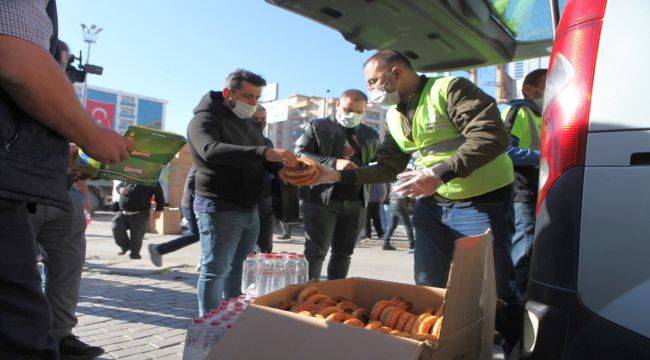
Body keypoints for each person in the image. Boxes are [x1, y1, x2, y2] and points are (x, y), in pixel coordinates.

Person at [311, 50, 518, 346]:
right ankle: (442, 346)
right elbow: (388, 166)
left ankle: (512, 347)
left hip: (482, 199)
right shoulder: (394, 115)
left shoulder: (449, 89)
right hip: (433, 204)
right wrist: (340, 176)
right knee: (429, 285)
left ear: (396, 72)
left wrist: (439, 173)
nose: (372, 90)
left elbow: (492, 136)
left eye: (373, 81)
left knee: (494, 286)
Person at [0, 2, 131, 358]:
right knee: (20, 328)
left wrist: (75, 171)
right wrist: (93, 134)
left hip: (47, 186)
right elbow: (18, 59)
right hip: (13, 187)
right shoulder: (29, 48)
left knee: (59, 276)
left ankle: (61, 334)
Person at [187, 69, 296, 315]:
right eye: (248, 96)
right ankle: (210, 322)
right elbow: (210, 150)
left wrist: (281, 171)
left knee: (241, 267)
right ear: (228, 93)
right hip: (220, 206)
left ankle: (232, 316)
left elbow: (263, 154)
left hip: (250, 208)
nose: (253, 103)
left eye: (257, 97)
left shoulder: (247, 124)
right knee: (216, 270)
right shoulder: (203, 120)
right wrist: (264, 154)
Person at [294, 89, 380, 281]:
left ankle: (334, 297)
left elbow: (377, 164)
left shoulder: (371, 135)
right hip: (322, 199)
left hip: (356, 202)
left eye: (358, 112)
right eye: (348, 109)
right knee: (315, 253)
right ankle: (308, 296)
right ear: (337, 106)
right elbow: (299, 154)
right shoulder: (317, 126)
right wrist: (333, 162)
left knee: (344, 254)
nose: (352, 115)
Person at [502, 68, 547, 300]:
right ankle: (515, 306)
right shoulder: (519, 111)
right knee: (525, 249)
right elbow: (505, 150)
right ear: (528, 90)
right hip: (522, 192)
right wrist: (543, 156)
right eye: (547, 85)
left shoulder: (547, 115)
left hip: (542, 193)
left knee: (536, 252)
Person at [148, 167, 198, 267]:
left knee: (207, 234)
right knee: (196, 234)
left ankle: (207, 262)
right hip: (193, 204)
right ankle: (159, 249)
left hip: (196, 204)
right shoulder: (203, 163)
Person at [112, 182, 164, 259]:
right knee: (116, 226)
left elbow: (159, 196)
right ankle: (125, 246)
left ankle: (134, 253)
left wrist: (158, 210)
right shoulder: (130, 175)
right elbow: (119, 186)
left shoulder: (152, 180)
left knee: (137, 235)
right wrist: (120, 189)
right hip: (123, 211)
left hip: (140, 213)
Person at [252, 105, 275, 253]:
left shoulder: (268, 142)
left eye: (263, 119)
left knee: (265, 248)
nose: (260, 122)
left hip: (265, 200)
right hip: (245, 203)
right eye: (255, 118)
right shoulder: (236, 140)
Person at [383, 176, 415, 252]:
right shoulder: (406, 182)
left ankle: (386, 243)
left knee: (392, 225)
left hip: (392, 203)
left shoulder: (395, 180)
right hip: (400, 204)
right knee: (408, 225)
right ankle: (412, 244)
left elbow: (390, 191)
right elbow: (409, 194)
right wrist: (414, 204)